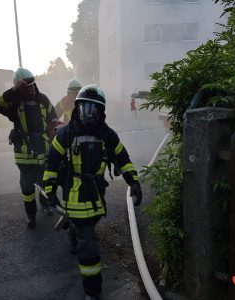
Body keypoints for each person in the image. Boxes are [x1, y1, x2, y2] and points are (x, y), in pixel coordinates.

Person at [43, 84, 143, 300]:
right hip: (75, 196)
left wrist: (133, 182)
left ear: (101, 112)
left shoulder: (107, 134)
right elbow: (51, 163)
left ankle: (74, 231)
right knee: (89, 245)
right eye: (84, 108)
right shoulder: (66, 134)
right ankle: (92, 292)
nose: (88, 114)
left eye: (93, 109)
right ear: (77, 108)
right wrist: (49, 190)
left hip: (97, 196)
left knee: (85, 229)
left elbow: (123, 159)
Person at [0, 67, 58, 229]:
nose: (29, 90)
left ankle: (46, 205)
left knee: (44, 180)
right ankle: (30, 214)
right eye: (24, 87)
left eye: (30, 86)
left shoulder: (42, 99)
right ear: (18, 87)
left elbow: (53, 117)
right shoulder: (14, 103)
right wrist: (13, 90)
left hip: (43, 149)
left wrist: (58, 128)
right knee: (27, 185)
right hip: (24, 152)